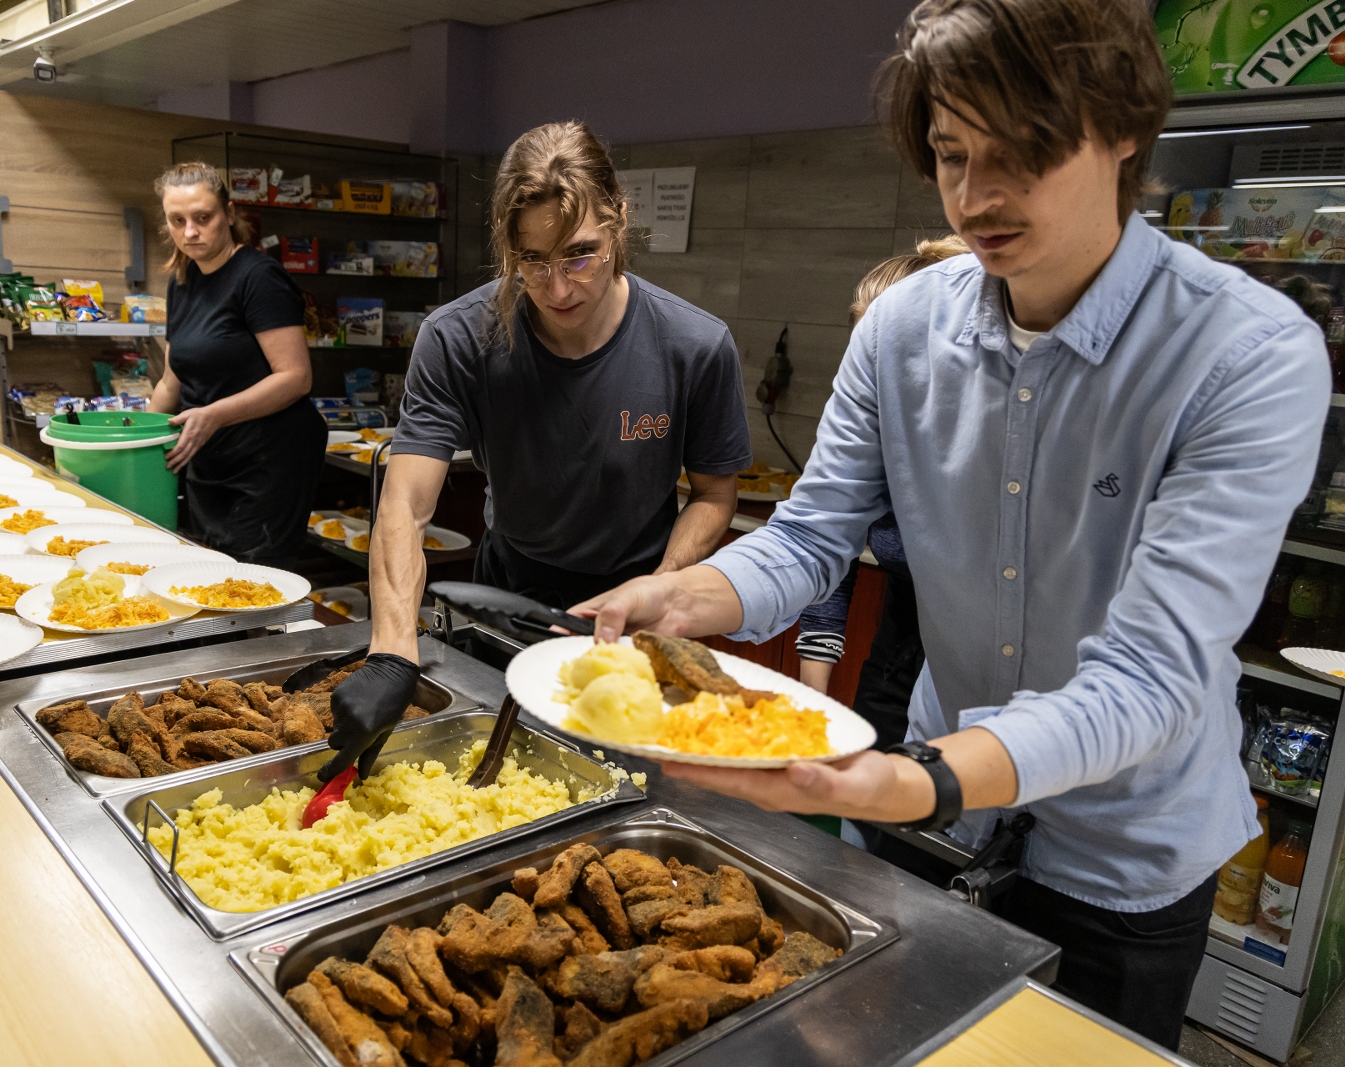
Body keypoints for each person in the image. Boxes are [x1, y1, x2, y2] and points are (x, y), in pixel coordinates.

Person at [572, 0, 1330, 1048]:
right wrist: (682, 595)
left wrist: (917, 775)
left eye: (1023, 151)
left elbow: (1150, 678)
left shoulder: (1246, 355)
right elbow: (810, 535)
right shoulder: (902, 327)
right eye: (950, 153)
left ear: (1123, 131)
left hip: (1119, 857)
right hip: (928, 823)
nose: (978, 195)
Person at [318, 121, 752, 783]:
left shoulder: (694, 346)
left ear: (619, 222)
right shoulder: (460, 339)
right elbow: (404, 505)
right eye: (534, 261)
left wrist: (659, 593)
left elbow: (716, 496)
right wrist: (392, 651)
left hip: (634, 610)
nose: (556, 288)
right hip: (504, 603)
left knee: (613, 794)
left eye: (579, 254)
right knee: (483, 790)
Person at [796, 236, 967, 757]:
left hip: (979, 664)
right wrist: (808, 712)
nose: (863, 386)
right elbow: (826, 551)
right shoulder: (866, 435)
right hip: (900, 643)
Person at [147, 162, 325, 566]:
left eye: (203, 218)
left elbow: (296, 378)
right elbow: (171, 383)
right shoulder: (182, 281)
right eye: (178, 220)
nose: (190, 232)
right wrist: (130, 441)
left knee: (254, 585)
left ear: (229, 213)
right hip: (209, 456)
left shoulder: (258, 278)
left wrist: (214, 415)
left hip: (267, 461)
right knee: (208, 573)